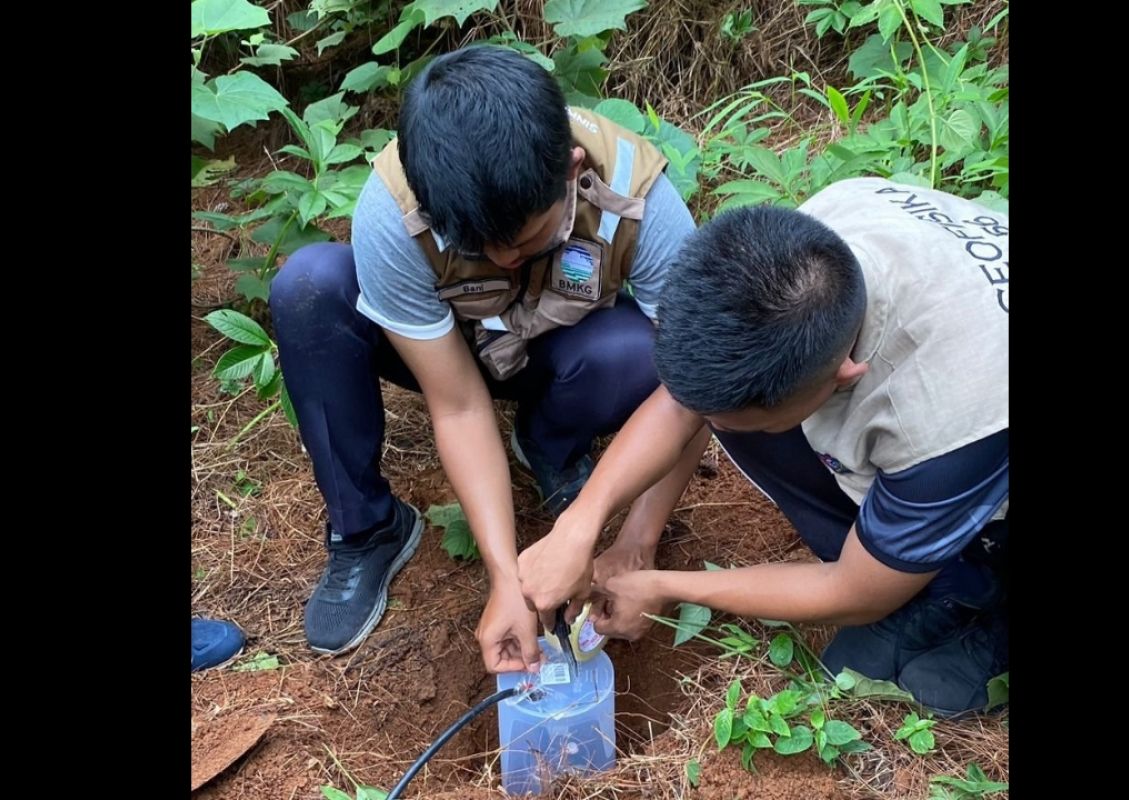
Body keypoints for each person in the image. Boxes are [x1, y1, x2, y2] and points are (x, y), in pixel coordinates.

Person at [268, 45, 697, 671]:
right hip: (451, 354)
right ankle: (366, 528)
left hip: (562, 350)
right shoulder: (396, 209)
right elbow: (460, 404)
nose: (503, 260)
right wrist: (505, 577)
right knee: (311, 285)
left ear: (570, 168)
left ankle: (547, 445)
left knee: (642, 354)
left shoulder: (640, 200)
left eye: (525, 239)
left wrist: (634, 540)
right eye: (480, 246)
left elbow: (697, 383)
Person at [518, 178, 1009, 715]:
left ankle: (978, 592)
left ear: (844, 375)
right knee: (743, 422)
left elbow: (854, 592)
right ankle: (917, 560)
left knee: (923, 681)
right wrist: (584, 525)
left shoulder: (944, 420)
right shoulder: (814, 246)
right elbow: (684, 404)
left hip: (984, 434)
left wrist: (666, 587)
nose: (703, 425)